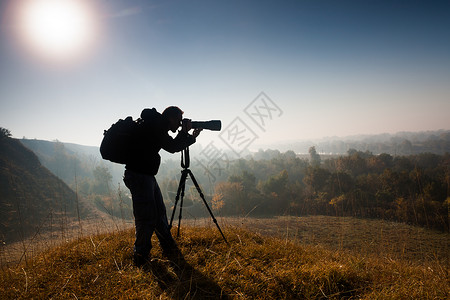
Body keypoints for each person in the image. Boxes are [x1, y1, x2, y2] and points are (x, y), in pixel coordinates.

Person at [123, 106, 202, 267]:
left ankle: (168, 247)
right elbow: (172, 147)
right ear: (170, 118)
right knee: (146, 217)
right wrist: (185, 133)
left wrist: (189, 136)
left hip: (145, 175)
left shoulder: (157, 126)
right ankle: (140, 256)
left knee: (159, 213)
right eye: (178, 121)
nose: (179, 125)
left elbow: (172, 145)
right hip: (139, 176)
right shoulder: (156, 126)